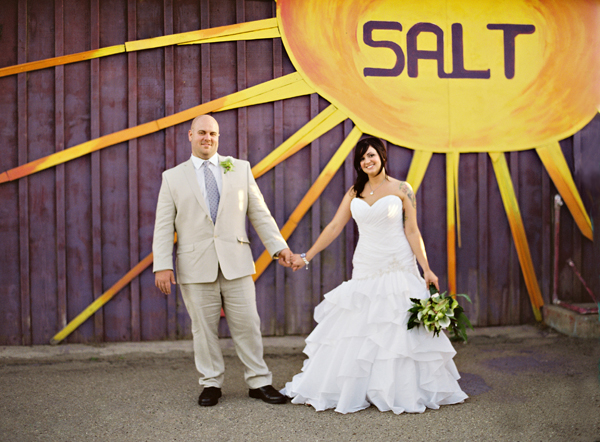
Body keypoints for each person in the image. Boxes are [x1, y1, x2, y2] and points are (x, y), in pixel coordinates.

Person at [283, 137, 468, 414]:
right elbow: (334, 227)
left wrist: (426, 268)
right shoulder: (354, 192)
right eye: (361, 159)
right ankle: (360, 388)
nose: (366, 161)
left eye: (370, 155)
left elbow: (412, 231)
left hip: (398, 264)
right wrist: (306, 256)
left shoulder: (403, 188)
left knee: (396, 327)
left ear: (382, 155)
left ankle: (399, 389)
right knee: (362, 326)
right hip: (367, 265)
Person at [153, 114, 292, 407]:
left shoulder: (239, 169)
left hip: (236, 262)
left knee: (248, 324)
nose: (208, 138)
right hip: (195, 265)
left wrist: (279, 249)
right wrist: (163, 265)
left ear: (218, 137)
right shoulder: (173, 177)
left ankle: (259, 381)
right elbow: (164, 225)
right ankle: (211, 383)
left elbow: (260, 213)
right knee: (203, 329)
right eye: (202, 132)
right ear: (190, 135)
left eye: (213, 134)